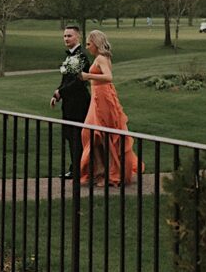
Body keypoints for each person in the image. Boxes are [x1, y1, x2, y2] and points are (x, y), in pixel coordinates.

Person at [78, 30, 142, 186]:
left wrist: (88, 76)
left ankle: (111, 172)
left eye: (88, 44)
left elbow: (108, 77)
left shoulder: (101, 58)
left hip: (103, 98)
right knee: (90, 133)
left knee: (101, 133)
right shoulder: (100, 58)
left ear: (95, 43)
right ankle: (100, 169)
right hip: (97, 97)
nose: (87, 47)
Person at [49, 24, 91, 180]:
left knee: (76, 136)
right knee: (70, 135)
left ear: (78, 36)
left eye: (69, 36)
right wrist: (57, 94)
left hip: (79, 103)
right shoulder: (70, 57)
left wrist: (61, 92)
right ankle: (75, 168)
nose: (66, 38)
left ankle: (78, 169)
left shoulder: (81, 56)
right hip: (69, 103)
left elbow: (78, 82)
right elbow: (65, 79)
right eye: (65, 36)